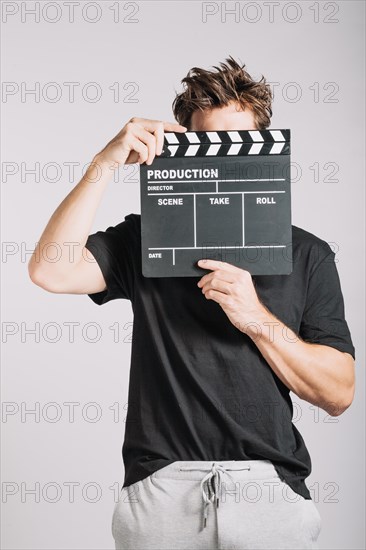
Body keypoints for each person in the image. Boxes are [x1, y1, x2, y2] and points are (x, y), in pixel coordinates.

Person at [28, 57, 356, 550]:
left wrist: (255, 319)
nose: (224, 165)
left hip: (270, 491)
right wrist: (104, 164)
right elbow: (49, 270)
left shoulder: (308, 254)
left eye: (237, 147)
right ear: (184, 150)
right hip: (162, 489)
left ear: (263, 151)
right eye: (209, 148)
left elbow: (338, 394)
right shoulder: (143, 239)